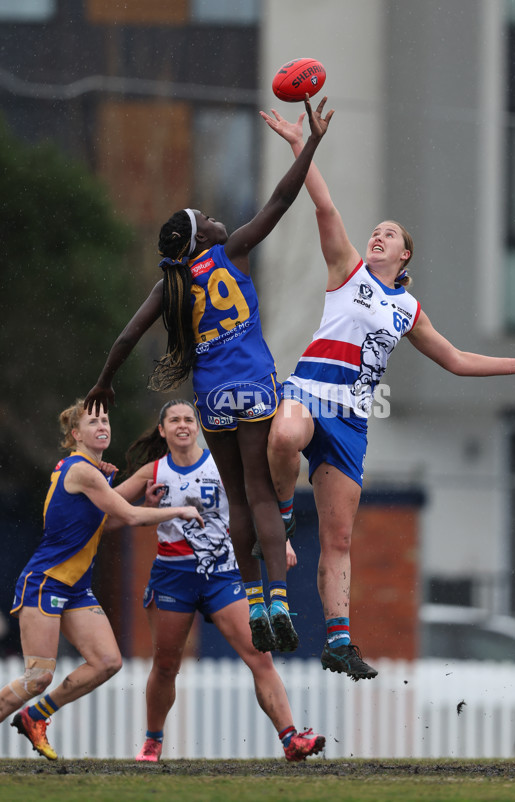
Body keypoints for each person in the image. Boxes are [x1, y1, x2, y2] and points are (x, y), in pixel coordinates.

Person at [259, 103, 515, 681]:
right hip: (308, 392)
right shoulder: (345, 270)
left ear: (405, 257)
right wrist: (304, 145)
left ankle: (339, 642)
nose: (376, 236)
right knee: (288, 432)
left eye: (389, 235)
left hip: (351, 418)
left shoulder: (408, 309)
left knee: (342, 537)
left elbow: (455, 359)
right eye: (376, 231)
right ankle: (277, 515)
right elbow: (322, 204)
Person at [84, 96, 334, 657]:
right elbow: (282, 198)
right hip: (256, 386)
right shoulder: (234, 250)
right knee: (266, 495)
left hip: (214, 397)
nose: (218, 220)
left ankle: (252, 598)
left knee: (239, 501)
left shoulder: (169, 285)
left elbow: (126, 338)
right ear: (202, 238)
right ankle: (279, 601)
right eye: (208, 220)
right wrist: (311, 142)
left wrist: (104, 382)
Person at [113, 399, 325, 762]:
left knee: (261, 657)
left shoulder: (221, 464)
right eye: (174, 420)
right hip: (173, 577)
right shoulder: (154, 472)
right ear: (162, 430)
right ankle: (153, 741)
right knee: (166, 666)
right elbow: (110, 516)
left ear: (198, 427)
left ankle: (291, 739)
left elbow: (259, 503)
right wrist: (145, 510)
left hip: (223, 575)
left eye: (188, 419)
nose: (183, 425)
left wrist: (282, 540)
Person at [0, 400, 202, 760]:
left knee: (107, 662)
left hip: (75, 588)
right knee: (38, 676)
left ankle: (34, 717)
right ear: (76, 434)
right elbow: (126, 513)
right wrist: (177, 510)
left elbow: (105, 522)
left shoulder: (97, 473)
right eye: (93, 422)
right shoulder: (84, 471)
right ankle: (32, 708)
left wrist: (146, 503)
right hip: (46, 581)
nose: (102, 426)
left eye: (105, 419)